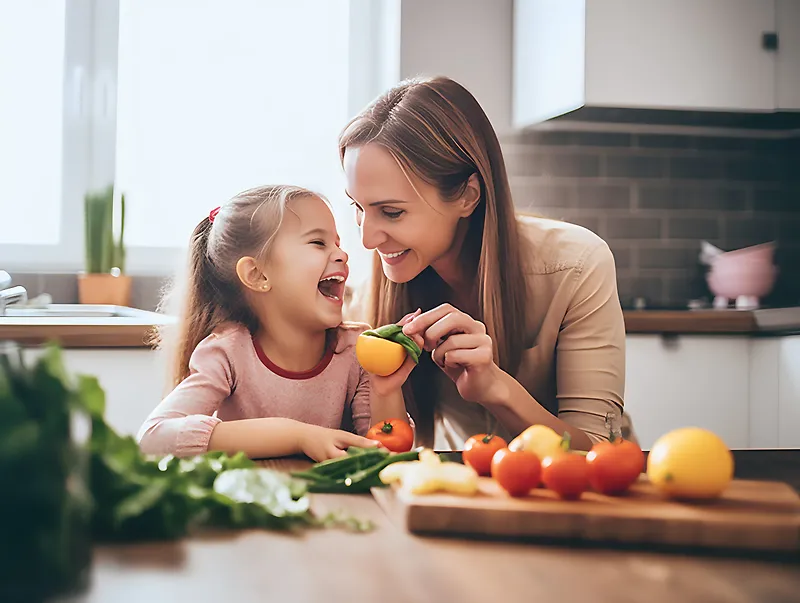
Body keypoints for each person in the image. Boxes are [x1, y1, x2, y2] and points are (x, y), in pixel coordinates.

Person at [339, 76, 634, 452]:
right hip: (470, 491)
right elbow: (384, 448)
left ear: (467, 195)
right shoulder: (371, 295)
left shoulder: (576, 267)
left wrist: (496, 388)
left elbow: (597, 452)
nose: (367, 239)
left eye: (392, 212)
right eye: (358, 208)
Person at [137, 185, 408, 461]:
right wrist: (297, 436)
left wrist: (385, 388)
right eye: (318, 243)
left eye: (337, 243)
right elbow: (154, 437)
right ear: (257, 275)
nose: (342, 254)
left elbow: (385, 456)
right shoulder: (227, 352)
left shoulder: (355, 350)